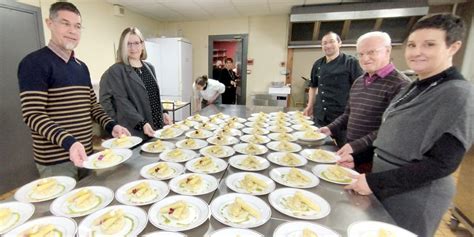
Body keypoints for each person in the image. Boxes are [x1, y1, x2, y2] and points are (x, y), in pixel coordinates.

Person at [342, 14, 473, 237]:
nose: (417, 52)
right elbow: (392, 135)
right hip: (388, 184)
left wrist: (375, 181)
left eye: (429, 44)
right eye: (412, 45)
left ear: (453, 47)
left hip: (416, 194)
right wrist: (359, 158)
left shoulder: (458, 93)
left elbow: (442, 163)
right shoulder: (415, 87)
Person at [17, 2, 129, 179]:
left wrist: (112, 125)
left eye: (77, 26)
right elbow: (33, 114)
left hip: (85, 154)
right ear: (50, 23)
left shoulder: (81, 67)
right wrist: (69, 142)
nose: (72, 30)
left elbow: (93, 106)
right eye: (65, 23)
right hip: (56, 161)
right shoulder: (34, 64)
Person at [319, 32, 409, 173]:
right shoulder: (359, 81)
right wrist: (329, 128)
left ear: (388, 50)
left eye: (371, 52)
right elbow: (348, 114)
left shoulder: (400, 85)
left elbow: (392, 130)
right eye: (360, 54)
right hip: (352, 155)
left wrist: (356, 146)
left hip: (375, 160)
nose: (365, 58)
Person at [100, 27, 172, 139]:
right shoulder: (117, 70)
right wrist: (141, 123)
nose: (133, 48)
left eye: (136, 43)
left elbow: (153, 96)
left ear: (142, 45)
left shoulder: (149, 68)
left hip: (156, 127)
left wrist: (163, 112)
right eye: (128, 44)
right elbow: (122, 102)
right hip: (134, 130)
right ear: (122, 46)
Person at [303, 32, 363, 146]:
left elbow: (360, 88)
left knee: (340, 148)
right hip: (320, 115)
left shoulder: (351, 62)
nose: (328, 45)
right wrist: (310, 105)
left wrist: (356, 111)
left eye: (331, 41)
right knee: (319, 146)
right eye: (324, 43)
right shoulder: (318, 64)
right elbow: (313, 86)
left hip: (341, 116)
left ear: (340, 43)